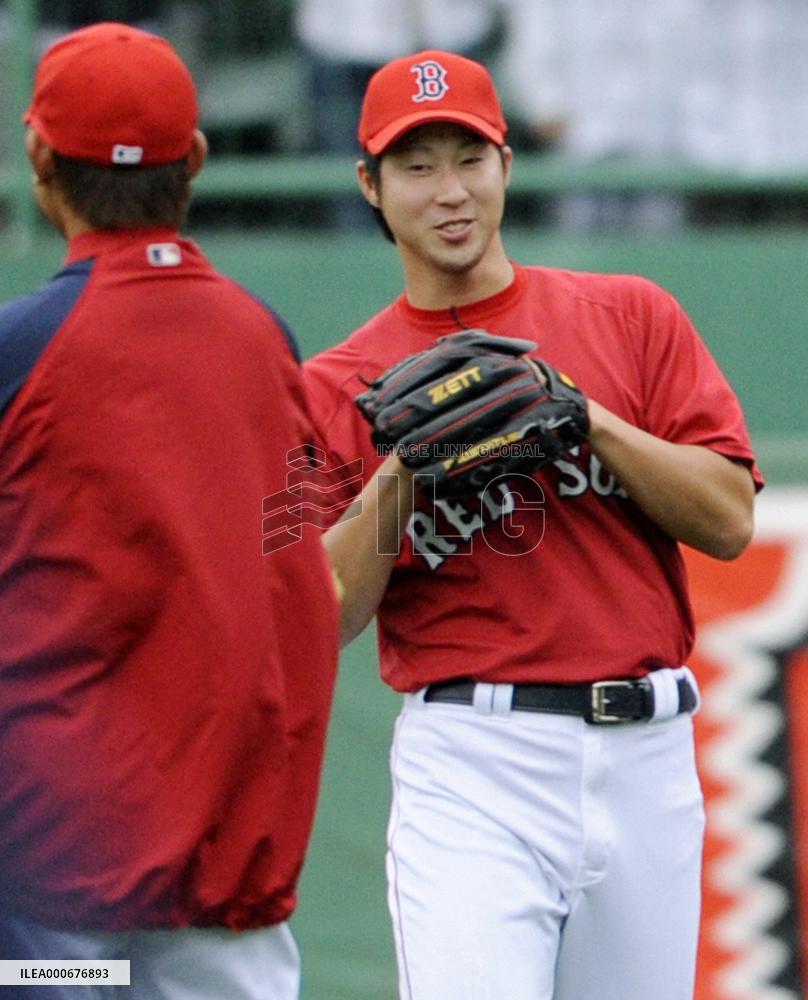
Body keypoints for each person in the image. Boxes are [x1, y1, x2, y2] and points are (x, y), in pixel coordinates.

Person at [302, 49, 764, 999]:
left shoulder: (631, 314)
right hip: (474, 758)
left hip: (646, 753)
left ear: (507, 164)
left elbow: (727, 521)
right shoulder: (331, 383)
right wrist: (404, 471)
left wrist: (584, 413)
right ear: (370, 186)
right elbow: (320, 608)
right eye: (417, 164)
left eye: (469, 157)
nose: (450, 191)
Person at [0, 22, 339, 1000]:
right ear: (193, 159)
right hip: (229, 866)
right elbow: (295, 559)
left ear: (38, 159)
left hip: (50, 884)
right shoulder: (264, 340)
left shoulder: (22, 348)